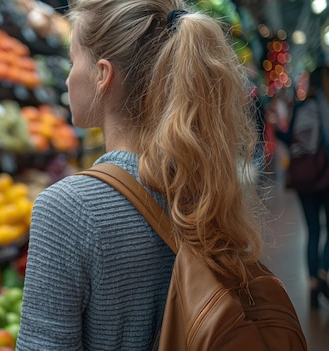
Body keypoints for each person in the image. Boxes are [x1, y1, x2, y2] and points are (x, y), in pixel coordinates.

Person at [15, 1, 264, 350]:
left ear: (103, 74)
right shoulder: (203, 184)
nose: (69, 78)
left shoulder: (67, 209)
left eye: (74, 61)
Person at [273, 66, 329, 308]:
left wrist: (275, 127)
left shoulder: (300, 106)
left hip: (303, 181)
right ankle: (324, 271)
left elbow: (288, 138)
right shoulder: (324, 105)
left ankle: (313, 286)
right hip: (325, 179)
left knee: (313, 231)